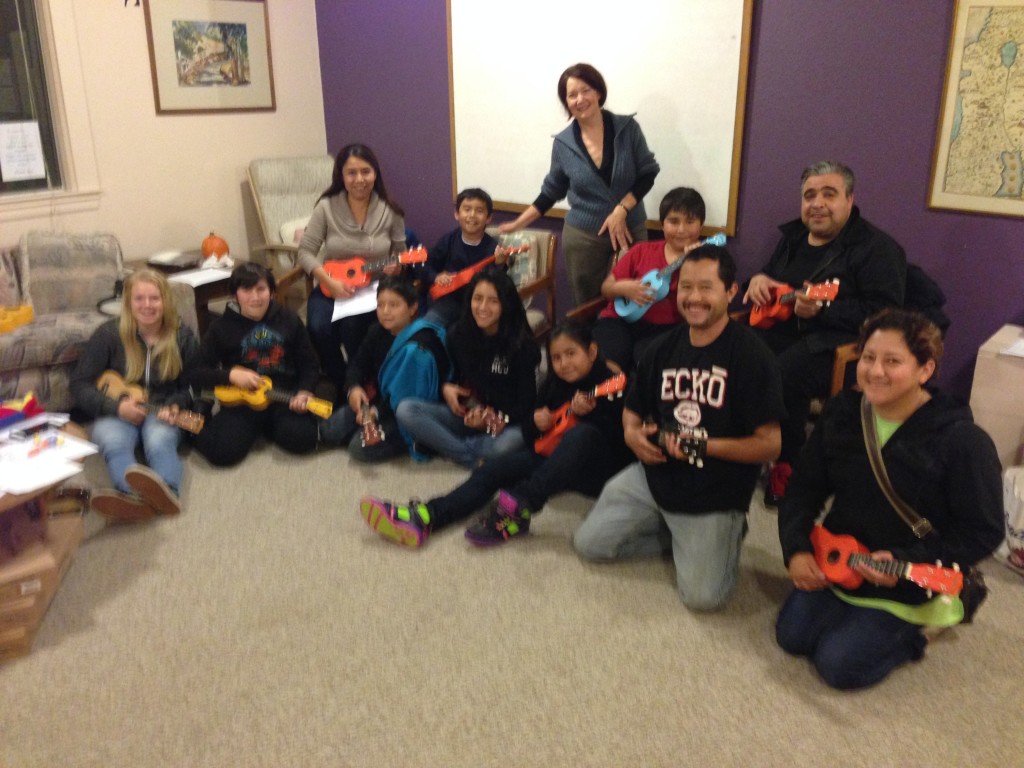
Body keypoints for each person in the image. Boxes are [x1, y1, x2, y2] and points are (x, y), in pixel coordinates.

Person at [775, 309, 1003, 690]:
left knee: (839, 665)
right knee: (792, 637)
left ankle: (931, 624)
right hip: (846, 556)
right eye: (868, 357)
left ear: (925, 370)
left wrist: (905, 561)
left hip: (912, 574)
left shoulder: (963, 441)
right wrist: (796, 549)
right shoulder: (842, 412)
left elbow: (983, 530)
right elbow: (804, 488)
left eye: (892, 361)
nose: (875, 371)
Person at [574, 244, 785, 611]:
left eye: (706, 287)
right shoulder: (661, 348)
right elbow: (633, 408)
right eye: (686, 287)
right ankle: (680, 536)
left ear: (731, 291)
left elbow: (770, 445)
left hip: (714, 490)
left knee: (703, 598)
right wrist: (631, 433)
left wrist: (702, 447)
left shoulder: (753, 356)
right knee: (590, 546)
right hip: (654, 475)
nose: (693, 298)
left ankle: (727, 533)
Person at [359, 320, 631, 548]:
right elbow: (529, 431)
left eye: (571, 354)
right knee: (491, 471)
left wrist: (589, 415)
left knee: (583, 434)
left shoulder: (611, 385)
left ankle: (522, 503)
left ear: (592, 351)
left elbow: (622, 444)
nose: (563, 363)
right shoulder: (555, 383)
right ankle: (427, 516)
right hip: (552, 460)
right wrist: (536, 423)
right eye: (557, 357)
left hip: (597, 471)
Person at [743, 160, 906, 506]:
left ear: (849, 199)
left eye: (828, 194)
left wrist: (824, 309)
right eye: (809, 195)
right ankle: (743, 445)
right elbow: (771, 282)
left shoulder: (877, 248)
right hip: (784, 328)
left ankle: (787, 463)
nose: (816, 203)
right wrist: (758, 280)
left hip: (840, 343)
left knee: (786, 371)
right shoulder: (792, 239)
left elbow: (886, 314)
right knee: (732, 349)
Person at [500, 63, 660, 306]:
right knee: (587, 307)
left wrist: (622, 209)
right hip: (584, 238)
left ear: (598, 92)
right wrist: (517, 224)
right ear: (566, 102)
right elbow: (551, 192)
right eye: (572, 95)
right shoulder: (563, 144)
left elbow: (648, 173)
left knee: (636, 301)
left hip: (630, 230)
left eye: (585, 90)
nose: (580, 99)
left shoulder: (627, 129)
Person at [70, 269, 200, 521]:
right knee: (113, 443)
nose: (147, 305)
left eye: (154, 298)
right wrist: (115, 408)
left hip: (161, 407)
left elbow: (198, 386)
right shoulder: (108, 334)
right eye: (139, 298)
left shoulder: (182, 337)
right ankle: (131, 496)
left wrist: (177, 404)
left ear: (166, 301)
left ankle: (167, 492)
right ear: (128, 302)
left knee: (159, 442)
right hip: (115, 408)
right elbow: (79, 384)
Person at [395, 266, 540, 467]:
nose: (482, 307)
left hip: (508, 422)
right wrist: (447, 388)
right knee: (406, 409)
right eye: (477, 298)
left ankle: (446, 446)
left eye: (493, 301)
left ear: (505, 305)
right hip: (473, 416)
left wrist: (501, 419)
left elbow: (528, 403)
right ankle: (469, 455)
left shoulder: (522, 344)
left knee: (508, 444)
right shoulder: (457, 335)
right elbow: (452, 377)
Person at [188, 262, 321, 466]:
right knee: (221, 453)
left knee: (304, 439)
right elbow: (195, 372)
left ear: (272, 292)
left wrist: (304, 391)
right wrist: (230, 376)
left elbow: (310, 364)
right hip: (242, 402)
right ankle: (193, 422)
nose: (255, 297)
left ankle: (266, 427)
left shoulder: (289, 319)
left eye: (261, 289)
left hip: (281, 396)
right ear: (235, 296)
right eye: (246, 290)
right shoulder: (220, 328)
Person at [297, 143, 407, 390]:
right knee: (318, 326)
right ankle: (341, 383)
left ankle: (365, 383)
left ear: (375, 173)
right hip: (331, 285)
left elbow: (400, 256)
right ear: (341, 176)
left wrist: (397, 267)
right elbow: (305, 252)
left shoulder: (391, 210)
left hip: (373, 290)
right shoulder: (326, 207)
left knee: (353, 327)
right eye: (352, 173)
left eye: (366, 172)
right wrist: (327, 281)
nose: (360, 179)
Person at [320, 275, 449, 462]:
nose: (385, 312)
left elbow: (408, 397)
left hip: (405, 411)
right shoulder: (377, 331)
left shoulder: (421, 344)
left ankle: (411, 441)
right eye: (380, 305)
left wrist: (376, 412)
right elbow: (357, 363)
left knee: (358, 449)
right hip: (379, 399)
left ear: (413, 308)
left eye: (394, 305)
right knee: (329, 430)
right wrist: (354, 388)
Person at [591, 186, 705, 372]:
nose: (681, 229)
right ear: (662, 224)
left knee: (647, 365)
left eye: (690, 221)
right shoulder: (641, 251)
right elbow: (606, 288)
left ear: (700, 226)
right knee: (607, 363)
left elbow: (694, 311)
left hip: (665, 329)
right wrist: (623, 288)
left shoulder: (704, 262)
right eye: (673, 221)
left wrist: (692, 266)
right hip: (618, 320)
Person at [422, 188, 510, 328]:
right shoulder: (448, 241)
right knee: (426, 328)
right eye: (467, 209)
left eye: (479, 211)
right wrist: (436, 277)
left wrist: (499, 264)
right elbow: (426, 265)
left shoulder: (494, 248)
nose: (472, 215)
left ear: (488, 218)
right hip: (448, 302)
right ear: (457, 214)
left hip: (479, 306)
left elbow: (498, 285)